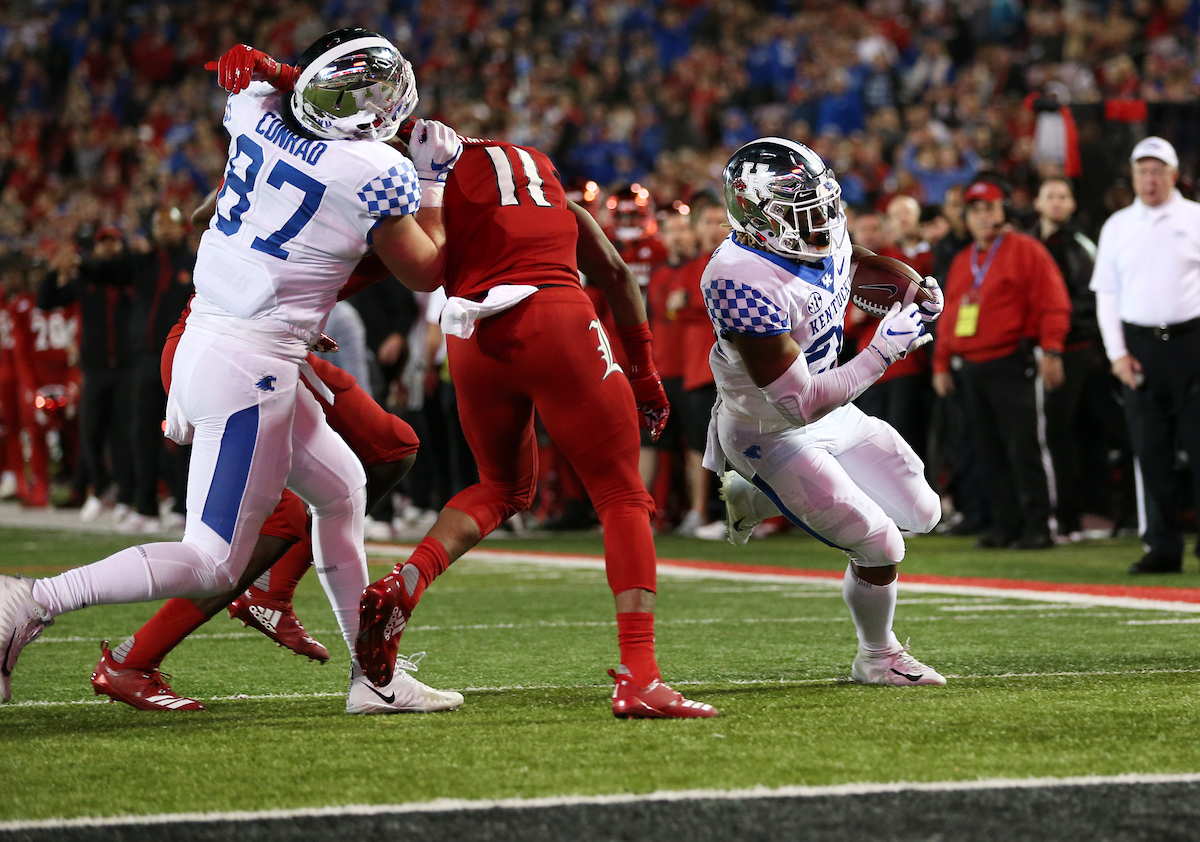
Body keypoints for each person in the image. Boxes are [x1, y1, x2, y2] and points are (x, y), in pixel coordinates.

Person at [0, 30, 459, 708]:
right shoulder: (373, 169)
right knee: (212, 558)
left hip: (212, 333)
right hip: (254, 364)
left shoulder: (254, 112)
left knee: (343, 489)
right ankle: (28, 601)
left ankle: (374, 678)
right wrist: (432, 180)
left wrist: (273, 68)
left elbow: (261, 82)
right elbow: (427, 268)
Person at [354, 127, 716, 719]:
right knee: (624, 494)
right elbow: (617, 275)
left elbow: (391, 266)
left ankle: (410, 578)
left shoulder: (437, 191)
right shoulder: (546, 190)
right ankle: (641, 676)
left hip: (470, 334)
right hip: (555, 319)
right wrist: (645, 372)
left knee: (501, 487)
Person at [699, 137, 947, 686]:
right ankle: (877, 656)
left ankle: (757, 495)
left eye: (822, 204)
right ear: (754, 211)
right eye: (800, 208)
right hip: (772, 427)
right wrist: (885, 349)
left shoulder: (821, 228)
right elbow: (798, 402)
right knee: (881, 542)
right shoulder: (736, 277)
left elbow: (851, 263)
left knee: (924, 512)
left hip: (833, 405)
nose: (820, 218)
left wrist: (910, 290)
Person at [932, 178, 1072, 550]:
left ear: (1003, 211)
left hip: (1014, 362)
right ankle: (1005, 523)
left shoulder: (1026, 250)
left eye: (989, 208)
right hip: (973, 367)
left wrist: (1052, 350)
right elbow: (948, 317)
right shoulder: (964, 259)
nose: (983, 216)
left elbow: (1053, 302)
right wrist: (941, 363)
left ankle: (1039, 524)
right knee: (987, 449)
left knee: (1024, 447)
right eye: (976, 210)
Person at [1090, 137, 1200, 574]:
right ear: (1133, 176)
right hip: (1139, 349)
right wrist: (1118, 354)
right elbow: (1107, 297)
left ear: (1173, 175)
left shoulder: (1195, 218)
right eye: (1143, 171)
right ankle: (1163, 547)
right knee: (1150, 453)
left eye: (1158, 171)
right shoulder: (1117, 226)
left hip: (1193, 344)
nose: (1150, 179)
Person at [1032, 176, 1119, 541]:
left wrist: (1059, 332)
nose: (1056, 202)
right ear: (1038, 203)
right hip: (1041, 350)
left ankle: (1081, 514)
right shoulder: (1026, 243)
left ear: (1072, 205)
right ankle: (1068, 515)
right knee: (1056, 435)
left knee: (1077, 434)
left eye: (1063, 196)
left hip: (1078, 353)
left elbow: (1094, 299)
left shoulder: (1081, 246)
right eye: (1049, 195)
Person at [38, 224, 136, 522]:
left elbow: (113, 270)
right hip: (94, 368)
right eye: (103, 243)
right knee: (89, 431)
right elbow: (46, 300)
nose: (108, 248)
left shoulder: (128, 274)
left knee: (122, 435)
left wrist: (80, 261)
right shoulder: (86, 281)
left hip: (125, 366)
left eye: (113, 242)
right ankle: (102, 487)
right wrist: (55, 270)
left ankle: (125, 497)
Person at [639, 207, 696, 528]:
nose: (677, 236)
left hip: (693, 372)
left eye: (682, 229)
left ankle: (697, 512)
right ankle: (637, 513)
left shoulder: (703, 267)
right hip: (661, 372)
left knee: (696, 448)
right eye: (671, 230)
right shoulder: (658, 273)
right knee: (648, 445)